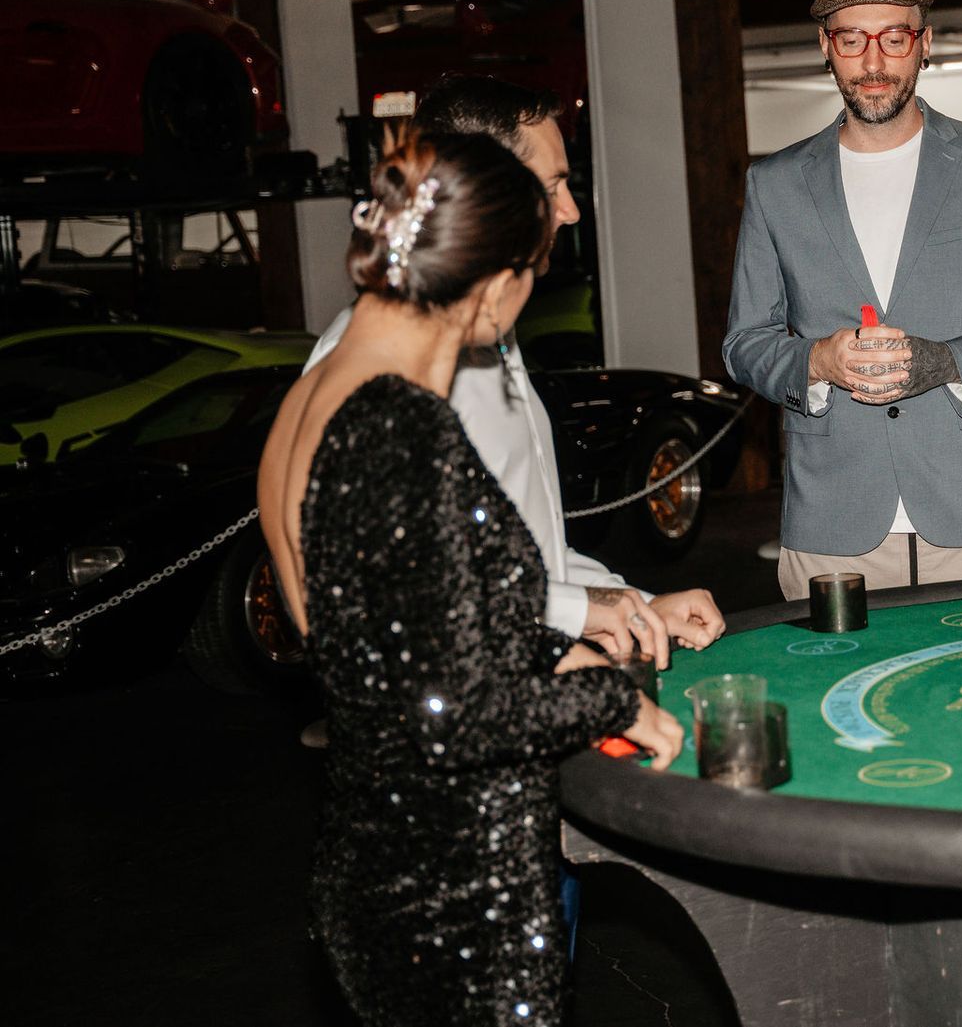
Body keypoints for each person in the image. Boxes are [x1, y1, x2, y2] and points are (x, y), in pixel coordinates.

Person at [257, 131, 684, 1026]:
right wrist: (611, 700)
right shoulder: (401, 429)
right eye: (535, 271)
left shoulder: (313, 395)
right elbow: (450, 716)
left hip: (374, 853)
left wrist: (556, 650)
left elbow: (390, 635)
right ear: (495, 286)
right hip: (455, 889)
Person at [307, 75, 724, 663]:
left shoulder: (488, 330)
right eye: (553, 184)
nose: (572, 210)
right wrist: (585, 615)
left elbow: (532, 550)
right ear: (488, 184)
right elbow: (403, 592)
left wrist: (634, 603)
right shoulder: (371, 365)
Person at [724, 0, 962, 598]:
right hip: (830, 516)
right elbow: (744, 342)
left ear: (925, 44)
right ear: (826, 49)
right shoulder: (773, 184)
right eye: (852, 39)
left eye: (894, 37)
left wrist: (946, 362)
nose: (874, 60)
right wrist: (818, 362)